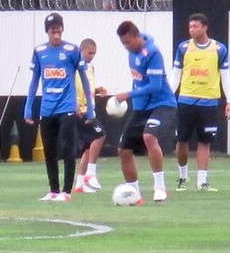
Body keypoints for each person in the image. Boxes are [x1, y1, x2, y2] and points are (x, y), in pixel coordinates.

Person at [24, 13, 95, 202]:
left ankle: (67, 191)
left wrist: (91, 108)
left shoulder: (72, 50)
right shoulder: (39, 51)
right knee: (49, 150)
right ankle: (53, 190)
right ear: (47, 32)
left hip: (67, 107)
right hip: (47, 108)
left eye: (59, 31)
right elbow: (34, 81)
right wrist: (28, 107)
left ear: (62, 30)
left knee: (68, 149)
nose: (56, 35)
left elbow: (85, 80)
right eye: (52, 31)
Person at [169, 13, 230, 192]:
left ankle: (202, 182)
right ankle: (183, 177)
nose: (191, 30)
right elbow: (176, 73)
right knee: (181, 140)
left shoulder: (219, 49)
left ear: (205, 27)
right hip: (186, 101)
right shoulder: (183, 48)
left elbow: (225, 76)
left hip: (209, 103)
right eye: (190, 27)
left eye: (195, 26)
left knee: (205, 142)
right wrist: (168, 96)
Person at [115, 21, 177, 203]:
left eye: (128, 42)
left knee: (149, 137)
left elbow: (155, 86)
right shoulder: (132, 53)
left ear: (137, 37)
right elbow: (138, 80)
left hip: (163, 104)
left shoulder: (153, 53)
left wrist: (129, 94)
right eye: (123, 43)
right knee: (124, 150)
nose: (126, 47)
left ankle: (160, 187)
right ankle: (133, 194)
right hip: (141, 108)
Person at [73, 38, 107, 193]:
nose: (92, 56)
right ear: (81, 50)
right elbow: (70, 86)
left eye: (94, 53)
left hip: (90, 109)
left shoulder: (90, 67)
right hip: (80, 111)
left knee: (88, 147)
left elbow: (88, 86)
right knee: (100, 135)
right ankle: (91, 173)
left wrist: (98, 90)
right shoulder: (73, 66)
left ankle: (79, 184)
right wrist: (74, 103)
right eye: (89, 53)